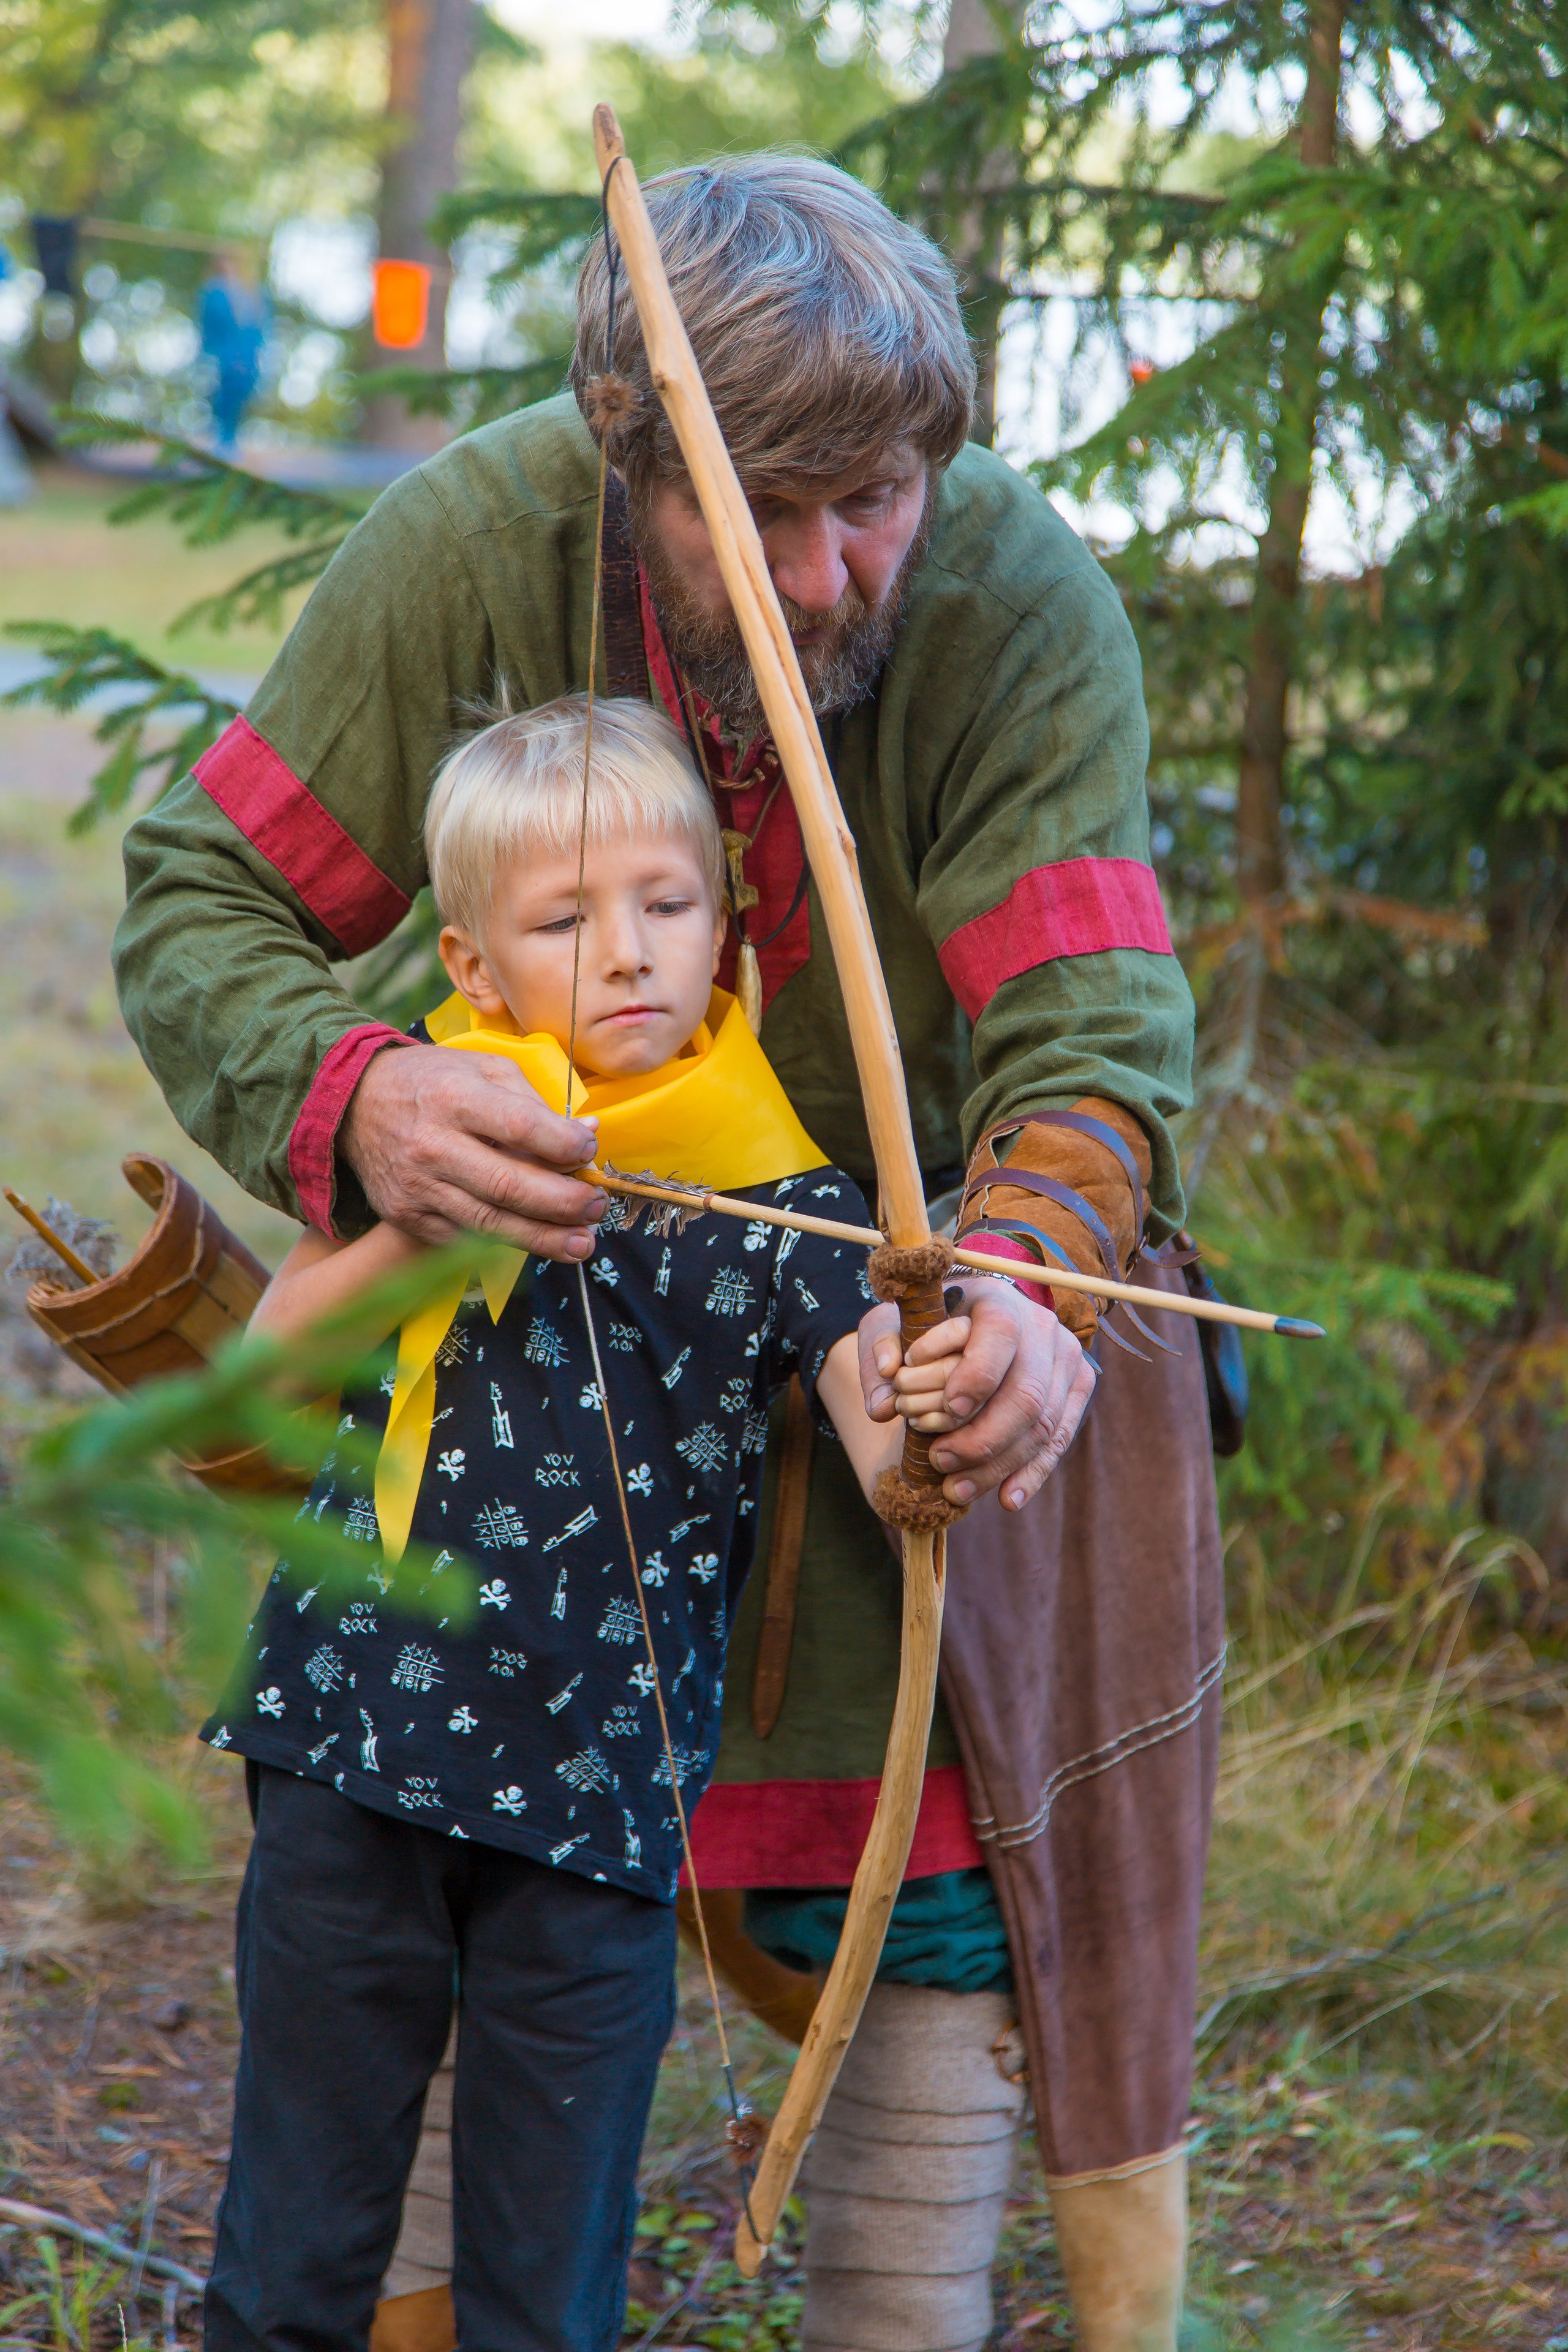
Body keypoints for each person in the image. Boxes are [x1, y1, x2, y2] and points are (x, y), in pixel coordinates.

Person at [116, 154, 1221, 2352]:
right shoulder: (471, 545)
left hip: (897, 1333)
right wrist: (369, 1107)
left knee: (947, 1799)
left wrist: (1012, 1288)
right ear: (632, 467)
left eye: (878, 499)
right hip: (526, 1374)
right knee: (413, 1885)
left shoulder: (1002, 597)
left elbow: (1092, 1042)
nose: (838, 571)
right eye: (777, 512)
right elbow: (202, 897)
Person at [199, 693, 974, 2352]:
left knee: (547, 2294)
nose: (627, 954)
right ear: (478, 968)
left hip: (602, 1804)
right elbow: (263, 1371)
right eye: (564, 922)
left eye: (667, 906)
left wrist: (924, 1396)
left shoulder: (781, 1190)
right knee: (294, 2248)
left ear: (725, 924)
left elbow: (871, 1400)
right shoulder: (431, 1120)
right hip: (353, 1752)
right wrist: (444, 1217)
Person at [198, 247, 268, 453]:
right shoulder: (214, 291)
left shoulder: (253, 291)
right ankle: (222, 437)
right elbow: (208, 323)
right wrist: (208, 352)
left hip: (247, 354)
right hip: (224, 352)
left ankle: (232, 437)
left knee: (243, 391)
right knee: (223, 393)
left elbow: (261, 324)